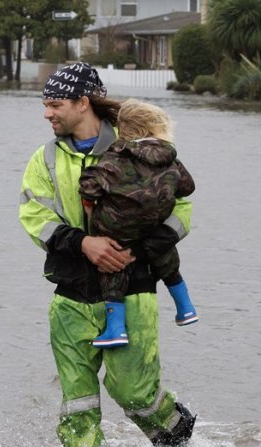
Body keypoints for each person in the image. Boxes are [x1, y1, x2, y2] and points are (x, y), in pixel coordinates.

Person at [18, 62, 197, 447]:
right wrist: (84, 244)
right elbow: (33, 217)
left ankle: (175, 433)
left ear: (83, 103)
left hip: (132, 289)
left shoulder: (142, 147)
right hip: (70, 294)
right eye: (45, 104)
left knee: (132, 391)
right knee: (77, 400)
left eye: (54, 103)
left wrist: (146, 246)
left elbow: (182, 208)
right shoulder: (43, 159)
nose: (47, 113)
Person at [79, 98, 198, 349]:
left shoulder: (116, 159)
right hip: (154, 228)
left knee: (113, 272)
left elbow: (89, 185)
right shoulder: (171, 160)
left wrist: (90, 209)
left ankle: (116, 329)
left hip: (117, 229)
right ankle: (185, 308)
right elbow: (188, 187)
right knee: (168, 263)